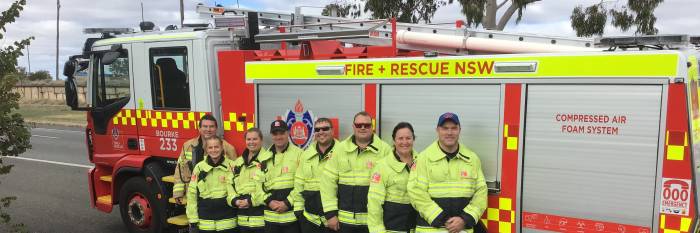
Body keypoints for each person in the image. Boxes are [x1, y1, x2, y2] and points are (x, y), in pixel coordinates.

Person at [408, 113, 487, 233]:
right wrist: (443, 219)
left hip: (463, 230)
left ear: (460, 130)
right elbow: (416, 192)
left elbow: (481, 194)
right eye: (445, 128)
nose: (449, 132)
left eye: (454, 128)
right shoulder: (424, 158)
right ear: (437, 130)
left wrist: (464, 220)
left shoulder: (472, 159)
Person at [321, 112, 391, 233]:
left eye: (367, 125)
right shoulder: (340, 149)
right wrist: (330, 214)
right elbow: (327, 182)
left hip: (373, 222)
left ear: (372, 127)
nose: (363, 127)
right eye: (359, 125)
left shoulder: (385, 150)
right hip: (344, 222)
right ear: (353, 127)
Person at [288, 118, 339, 233]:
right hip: (310, 219)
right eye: (317, 129)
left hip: (334, 220)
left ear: (332, 131)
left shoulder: (341, 152)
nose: (321, 132)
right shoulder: (306, 155)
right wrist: (299, 211)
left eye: (325, 128)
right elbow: (299, 183)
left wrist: (335, 216)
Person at [174, 114, 237, 205]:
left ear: (216, 129)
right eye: (205, 126)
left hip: (220, 197)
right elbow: (179, 170)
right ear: (199, 128)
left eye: (211, 126)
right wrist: (178, 193)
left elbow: (236, 174)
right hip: (194, 194)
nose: (208, 129)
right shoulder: (187, 146)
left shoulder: (228, 148)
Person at [367, 122, 418, 233]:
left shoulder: (422, 163)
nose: (404, 142)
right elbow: (374, 203)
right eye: (400, 138)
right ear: (394, 141)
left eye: (408, 138)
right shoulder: (382, 167)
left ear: (413, 139)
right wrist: (377, 230)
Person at [186, 135, 238, 233]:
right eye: (210, 147)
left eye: (216, 147)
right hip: (206, 224)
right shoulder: (199, 168)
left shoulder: (232, 166)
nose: (213, 150)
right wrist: (193, 220)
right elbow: (192, 195)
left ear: (222, 147)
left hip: (228, 223)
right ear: (206, 149)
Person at [260, 120, 304, 233]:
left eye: (281, 133)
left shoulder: (299, 154)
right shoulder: (263, 157)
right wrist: (269, 201)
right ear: (271, 135)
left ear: (288, 133)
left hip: (292, 217)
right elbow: (257, 184)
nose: (278, 136)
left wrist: (287, 202)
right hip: (270, 218)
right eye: (275, 133)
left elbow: (303, 182)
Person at [232, 128, 270, 233]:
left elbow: (270, 187)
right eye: (249, 139)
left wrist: (250, 200)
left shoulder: (268, 160)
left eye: (255, 139)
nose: (251, 142)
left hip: (262, 220)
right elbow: (230, 185)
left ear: (261, 140)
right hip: (242, 220)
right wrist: (234, 200)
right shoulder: (238, 162)